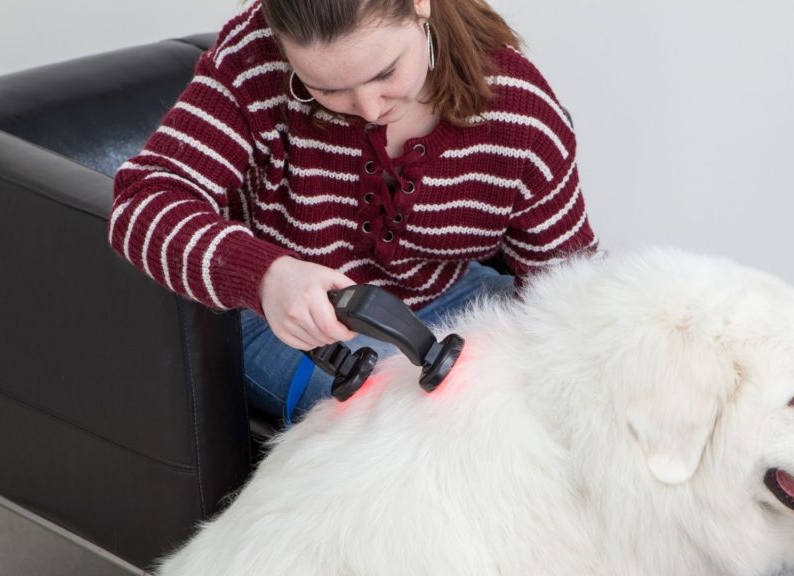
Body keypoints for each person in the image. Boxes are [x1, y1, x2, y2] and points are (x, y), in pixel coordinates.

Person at [108, 0, 598, 425]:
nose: (366, 108)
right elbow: (142, 201)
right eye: (323, 88)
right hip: (287, 323)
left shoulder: (520, 112)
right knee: (415, 422)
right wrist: (265, 276)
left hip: (446, 295)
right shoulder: (253, 62)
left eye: (385, 73)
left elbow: (569, 288)